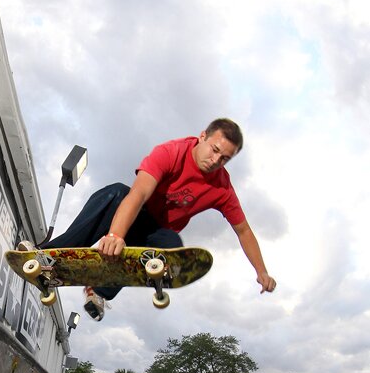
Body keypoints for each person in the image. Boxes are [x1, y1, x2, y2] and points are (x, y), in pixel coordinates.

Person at [27, 119, 277, 321]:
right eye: (215, 150)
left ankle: (99, 291)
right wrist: (115, 235)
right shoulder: (170, 152)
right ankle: (47, 255)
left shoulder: (222, 187)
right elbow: (138, 195)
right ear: (202, 136)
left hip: (155, 234)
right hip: (131, 213)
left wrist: (261, 271)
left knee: (173, 246)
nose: (215, 161)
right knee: (116, 192)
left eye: (224, 159)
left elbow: (243, 231)